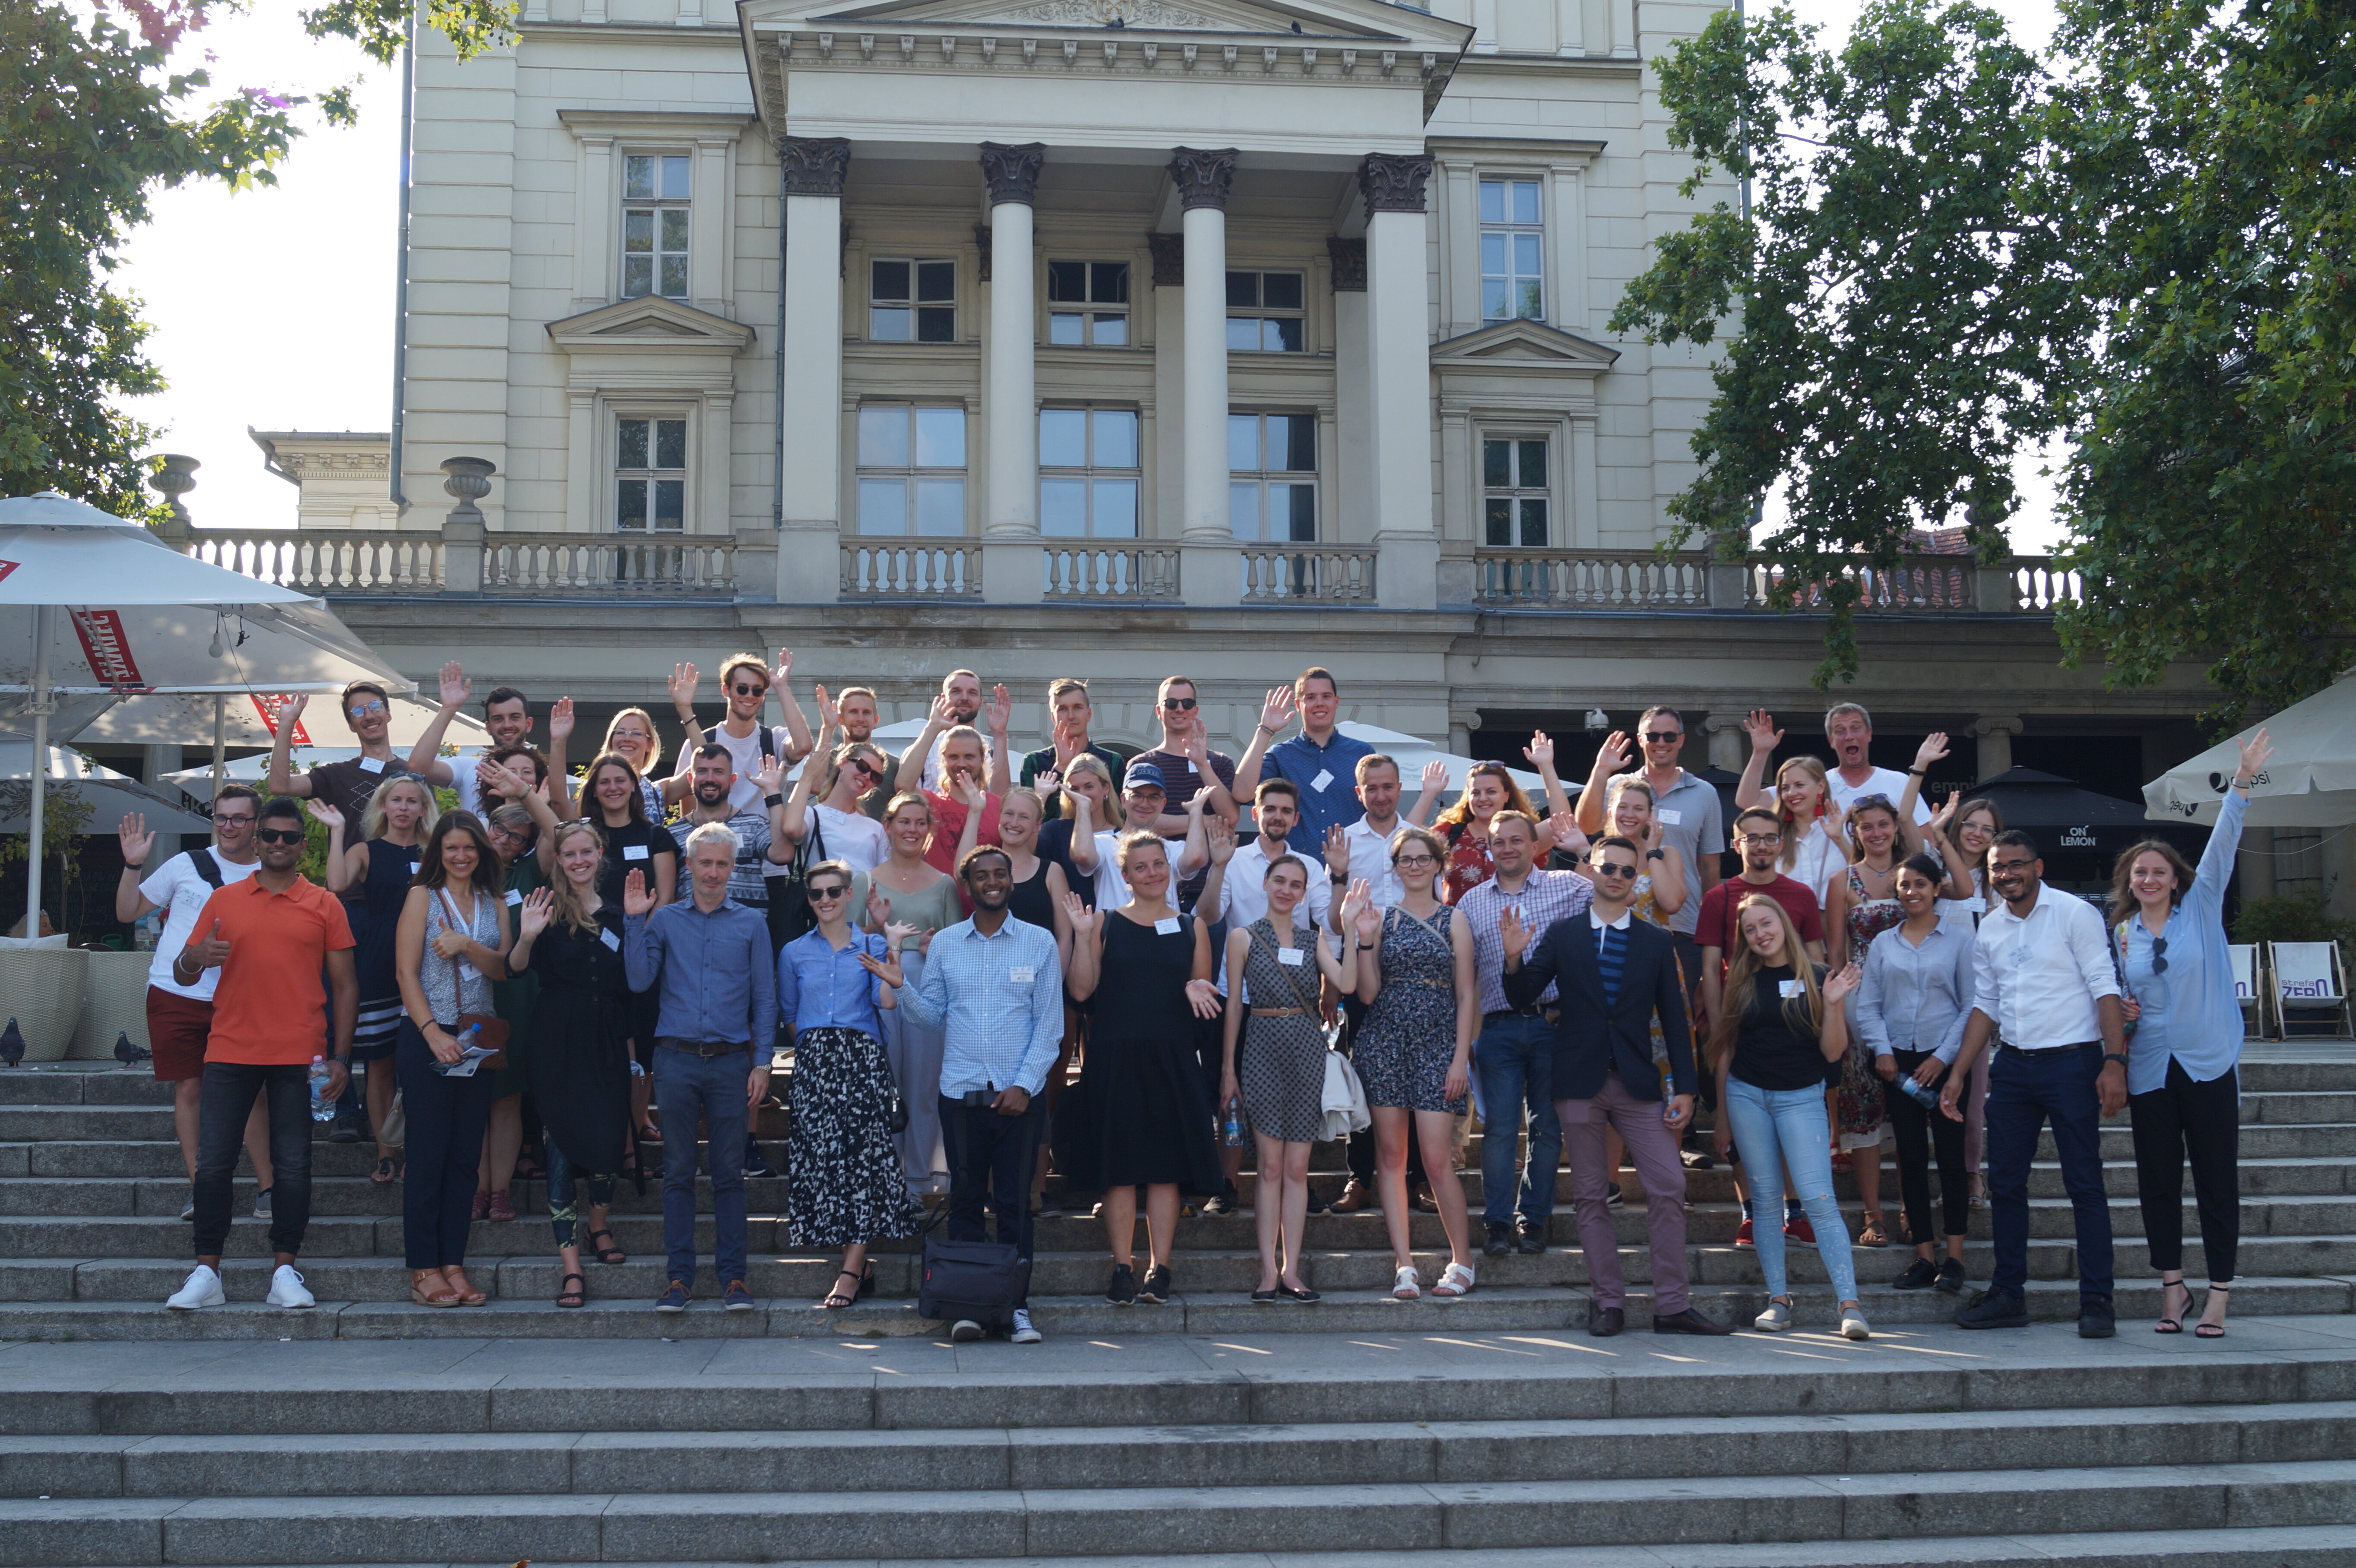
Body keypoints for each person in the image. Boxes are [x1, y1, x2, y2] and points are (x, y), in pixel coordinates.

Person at [1507, 835, 1732, 1336]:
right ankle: (1608, 1302)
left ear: (1636, 878)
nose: (1616, 875)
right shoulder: (1563, 933)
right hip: (1577, 1082)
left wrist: (1685, 1087)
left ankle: (1672, 1305)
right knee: (1590, 1195)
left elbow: (1675, 1019)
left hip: (1636, 1081)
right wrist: (1513, 958)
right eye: (1608, 866)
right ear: (1591, 869)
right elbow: (1522, 995)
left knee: (1669, 1184)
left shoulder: (1654, 940)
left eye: (1627, 870)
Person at [162, 795, 356, 1312]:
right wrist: (195, 957)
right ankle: (207, 1270)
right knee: (213, 1164)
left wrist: (341, 1056)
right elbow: (183, 971)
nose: (278, 843)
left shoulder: (324, 903)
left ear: (302, 845)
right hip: (231, 1046)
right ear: (256, 839)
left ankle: (284, 1269)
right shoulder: (224, 900)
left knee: (293, 1165)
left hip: (301, 1051)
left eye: (289, 836)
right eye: (270, 834)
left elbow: (345, 986)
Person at [864, 845, 1063, 1345]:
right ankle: (969, 1306)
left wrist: (1024, 1085)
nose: (992, 881)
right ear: (967, 886)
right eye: (982, 876)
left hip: (1020, 1095)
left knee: (1015, 1206)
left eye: (1000, 873)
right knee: (966, 1201)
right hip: (961, 1095)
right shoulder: (948, 944)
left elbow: (1050, 1026)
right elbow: (931, 1016)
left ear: (1010, 881)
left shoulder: (1038, 941)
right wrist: (901, 986)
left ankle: (1016, 1308)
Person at [1941, 830, 2128, 1338]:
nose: (2006, 874)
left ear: (2037, 867)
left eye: (2016, 864)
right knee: (2005, 1185)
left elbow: (2104, 986)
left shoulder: (2073, 913)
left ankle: (2097, 1301)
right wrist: (1958, 1072)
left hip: (2072, 1062)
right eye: (1997, 867)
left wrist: (2114, 1061)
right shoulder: (1989, 928)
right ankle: (2008, 1294)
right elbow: (1985, 1004)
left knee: (2083, 1183)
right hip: (2013, 1065)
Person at [2114, 729, 2268, 1338]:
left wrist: (2242, 781)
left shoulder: (2201, 908)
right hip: (2151, 1068)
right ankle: (2172, 1287)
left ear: (2175, 879)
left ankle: (2219, 1294)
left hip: (2206, 1063)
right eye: (2140, 873)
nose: (2149, 879)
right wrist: (2123, 1013)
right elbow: (2118, 1001)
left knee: (2215, 1182)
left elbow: (2224, 840)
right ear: (2129, 881)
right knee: (2157, 1182)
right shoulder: (2122, 935)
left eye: (2158, 872)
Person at [1060, 833, 1226, 1306]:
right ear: (1126, 875)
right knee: (1118, 1170)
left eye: (1158, 864)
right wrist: (1082, 936)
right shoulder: (1105, 922)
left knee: (1165, 1170)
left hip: (1172, 1058)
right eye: (1141, 867)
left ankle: (1160, 1269)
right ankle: (1122, 1267)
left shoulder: (1191, 926)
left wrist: (1194, 989)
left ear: (1168, 870)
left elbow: (1202, 992)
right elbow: (1081, 990)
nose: (1151, 873)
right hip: (1115, 1058)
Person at [624, 822, 777, 1314]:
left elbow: (765, 998)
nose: (713, 872)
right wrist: (634, 921)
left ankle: (734, 1278)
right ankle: (679, 1279)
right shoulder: (666, 920)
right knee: (677, 1173)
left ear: (733, 868)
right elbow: (638, 980)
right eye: (705, 862)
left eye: (722, 864)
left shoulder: (751, 923)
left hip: (732, 1062)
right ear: (688, 865)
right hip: (675, 1060)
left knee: (729, 1173)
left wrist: (762, 1063)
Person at [1707, 893, 1872, 1339]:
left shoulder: (1818, 977)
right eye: (1750, 929)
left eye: (1766, 923)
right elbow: (1726, 1050)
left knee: (1818, 1199)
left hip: (1801, 1096)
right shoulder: (1741, 980)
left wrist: (1833, 1004)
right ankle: (1778, 1300)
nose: (1760, 934)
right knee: (1764, 1201)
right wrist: (1722, 1117)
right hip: (1746, 1096)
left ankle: (1850, 1305)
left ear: (1783, 922)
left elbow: (1833, 1053)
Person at [116, 790, 273, 1225]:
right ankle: (202, 1187)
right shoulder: (185, 864)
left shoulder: (269, 871)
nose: (228, 826)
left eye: (239, 819)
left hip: (241, 996)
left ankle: (269, 1188)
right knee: (189, 1088)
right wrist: (133, 864)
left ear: (256, 824)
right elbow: (128, 912)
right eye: (221, 818)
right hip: (175, 993)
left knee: (253, 1091)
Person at [1219, 859, 1368, 1302]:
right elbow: (1233, 1006)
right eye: (1280, 881)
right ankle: (1268, 1270)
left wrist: (1350, 928)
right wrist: (1227, 1068)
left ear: (1304, 893)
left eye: (1296, 885)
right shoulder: (1242, 936)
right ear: (1265, 884)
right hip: (1261, 1046)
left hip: (1306, 1048)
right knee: (1269, 1167)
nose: (1286, 890)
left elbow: (1346, 982)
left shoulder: (1311, 938)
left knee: (1297, 1169)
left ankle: (1292, 1270)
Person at [779, 858, 921, 1310]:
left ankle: (851, 1269)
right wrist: (817, 1047)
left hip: (861, 1059)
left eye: (834, 891)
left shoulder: (872, 943)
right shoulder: (793, 952)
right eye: (817, 893)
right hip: (815, 1061)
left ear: (848, 895)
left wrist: (893, 950)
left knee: (862, 1159)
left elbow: (888, 1002)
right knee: (825, 1161)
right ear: (809, 899)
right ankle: (859, 1264)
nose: (826, 900)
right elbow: (790, 1013)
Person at [508, 820, 634, 1306]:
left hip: (606, 1039)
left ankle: (598, 1225)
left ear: (599, 853)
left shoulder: (620, 913)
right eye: (569, 854)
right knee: (559, 1150)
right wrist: (526, 936)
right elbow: (515, 967)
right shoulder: (543, 907)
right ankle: (571, 1266)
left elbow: (633, 983)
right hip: (555, 1039)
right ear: (558, 860)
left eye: (586, 852)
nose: (578, 861)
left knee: (608, 1142)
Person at [1457, 811, 1593, 1255]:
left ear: (1534, 845)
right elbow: (1464, 977)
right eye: (1499, 842)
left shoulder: (1567, 885)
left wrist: (1584, 850)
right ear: (1489, 848)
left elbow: (1617, 894)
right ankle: (1496, 1223)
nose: (1508, 848)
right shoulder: (1471, 902)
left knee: (1546, 1127)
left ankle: (1532, 1220)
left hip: (1552, 1025)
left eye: (1517, 840)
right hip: (1497, 1028)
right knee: (1499, 1128)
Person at [1352, 825, 1479, 1297]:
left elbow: (1466, 995)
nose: (1414, 866)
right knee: (1390, 1157)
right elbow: (1367, 993)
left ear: (1438, 864)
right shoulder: (1382, 919)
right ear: (1396, 867)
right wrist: (1365, 940)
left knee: (1436, 1159)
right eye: (1405, 859)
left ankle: (1462, 1261)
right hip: (1384, 1041)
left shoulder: (1454, 919)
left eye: (1423, 858)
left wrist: (1460, 1058)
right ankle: (1403, 1263)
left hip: (1437, 1044)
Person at [392, 811, 512, 1309]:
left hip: (476, 1038)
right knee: (428, 1156)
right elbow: (405, 971)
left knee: (465, 1159)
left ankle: (453, 1262)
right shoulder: (422, 895)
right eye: (451, 848)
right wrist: (431, 1033)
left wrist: (466, 944)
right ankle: (424, 1267)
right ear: (438, 853)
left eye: (469, 847)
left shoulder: (494, 901)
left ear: (481, 851)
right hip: (429, 1035)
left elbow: (503, 968)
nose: (461, 856)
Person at [1695, 806, 1828, 1244]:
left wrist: (1819, 1016)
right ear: (1737, 845)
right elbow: (1710, 966)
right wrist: (1719, 1026)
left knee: (1789, 1114)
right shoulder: (1719, 896)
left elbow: (1816, 961)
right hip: (1737, 1018)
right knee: (1737, 1118)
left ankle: (1794, 1209)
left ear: (1780, 843)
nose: (1761, 845)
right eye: (1751, 838)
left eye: (1769, 837)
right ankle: (1751, 1211)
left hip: (1792, 1021)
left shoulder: (1801, 894)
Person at [1855, 853, 1976, 1295]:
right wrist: (1882, 1050)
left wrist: (1943, 1058)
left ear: (1937, 888)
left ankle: (1955, 1258)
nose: (1912, 892)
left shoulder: (1959, 940)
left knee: (1951, 1159)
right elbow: (1868, 1005)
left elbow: (1972, 1005)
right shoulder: (1883, 944)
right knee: (1910, 1158)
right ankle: (1924, 1256)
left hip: (1946, 1064)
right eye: (1905, 885)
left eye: (1921, 884)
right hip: (1898, 1066)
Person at [311, 775, 436, 1182]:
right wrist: (337, 832)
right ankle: (386, 1153)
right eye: (396, 800)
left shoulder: (436, 850)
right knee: (380, 1065)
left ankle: (419, 1149)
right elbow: (335, 885)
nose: (403, 807)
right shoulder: (365, 849)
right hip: (380, 960)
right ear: (383, 806)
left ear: (423, 809)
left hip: (429, 961)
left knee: (422, 1064)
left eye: (412, 801)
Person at [854, 792, 971, 1195]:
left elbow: (957, 949)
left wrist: (932, 948)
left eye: (921, 823)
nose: (913, 830)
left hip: (928, 992)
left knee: (924, 1086)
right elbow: (850, 944)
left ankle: (920, 1180)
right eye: (904, 821)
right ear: (888, 826)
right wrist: (877, 928)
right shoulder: (864, 881)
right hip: (877, 990)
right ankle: (883, 1181)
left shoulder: (945, 884)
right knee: (883, 1086)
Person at [1573, 711, 1725, 982]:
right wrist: (1601, 770)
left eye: (1669, 736)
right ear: (1641, 740)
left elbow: (1710, 867)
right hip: (1616, 924)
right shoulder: (1619, 786)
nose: (1661, 743)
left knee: (1680, 1003)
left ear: (1681, 740)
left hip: (1685, 925)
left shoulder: (1705, 793)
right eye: (1653, 736)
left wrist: (1710, 927)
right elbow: (1586, 826)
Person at [583, 750, 680, 1148]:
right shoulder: (585, 837)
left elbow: (666, 899)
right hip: (593, 956)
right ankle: (599, 1135)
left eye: (620, 780)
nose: (613, 788)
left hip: (643, 957)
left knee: (641, 1050)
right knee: (597, 1048)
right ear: (594, 789)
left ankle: (632, 1137)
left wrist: (637, 946)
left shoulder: (655, 836)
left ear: (634, 787)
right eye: (604, 781)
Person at [1231, 667, 1376, 856]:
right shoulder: (1281, 755)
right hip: (1295, 870)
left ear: (1336, 702)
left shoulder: (1362, 754)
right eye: (1311, 698)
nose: (1319, 703)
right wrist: (1265, 730)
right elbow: (1242, 794)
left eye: (1326, 697)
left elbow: (1380, 810)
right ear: (1298, 705)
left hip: (1352, 865)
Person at [404, 663, 576, 818]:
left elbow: (566, 818)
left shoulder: (544, 775)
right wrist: (449, 709)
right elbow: (418, 767)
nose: (507, 725)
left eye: (515, 717)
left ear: (529, 724)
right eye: (498, 719)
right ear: (488, 727)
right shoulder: (471, 768)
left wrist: (559, 741)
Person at [668, 649, 815, 806]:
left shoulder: (774, 739)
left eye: (757, 691)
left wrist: (782, 687)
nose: (750, 695)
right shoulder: (696, 743)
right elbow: (689, 810)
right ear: (726, 690)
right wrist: (684, 709)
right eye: (742, 688)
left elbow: (803, 746)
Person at [265, 685, 428, 825]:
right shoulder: (335, 776)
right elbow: (280, 786)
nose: (369, 716)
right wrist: (286, 723)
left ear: (388, 714)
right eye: (358, 712)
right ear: (351, 725)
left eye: (375, 707)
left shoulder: (414, 775)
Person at [1735, 714, 1849, 906]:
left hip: (1835, 919)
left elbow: (1861, 873)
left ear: (1821, 787)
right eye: (1785, 788)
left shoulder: (1840, 826)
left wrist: (1839, 839)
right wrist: (1760, 753)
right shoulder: (1774, 835)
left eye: (1800, 785)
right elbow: (1745, 800)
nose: (1792, 793)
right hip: (1786, 921)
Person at [778, 690, 891, 877]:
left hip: (865, 896)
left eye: (875, 776)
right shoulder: (814, 815)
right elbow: (791, 828)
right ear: (843, 763)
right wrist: (807, 776)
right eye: (862, 766)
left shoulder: (875, 828)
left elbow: (885, 877)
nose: (866, 776)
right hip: (826, 895)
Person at [895, 707, 1004, 880]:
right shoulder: (931, 803)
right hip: (937, 896)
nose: (961, 764)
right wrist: (933, 727)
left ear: (982, 759)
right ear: (943, 760)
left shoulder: (999, 806)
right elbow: (903, 786)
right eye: (954, 757)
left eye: (969, 757)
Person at [1434, 759, 1541, 906]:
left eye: (1491, 792)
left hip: (1514, 919)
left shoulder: (1525, 834)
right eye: (1476, 793)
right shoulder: (1449, 833)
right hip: (1458, 920)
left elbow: (1561, 822)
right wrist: (1428, 795)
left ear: (1506, 796)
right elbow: (1407, 845)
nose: (1483, 799)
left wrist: (1546, 767)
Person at [1013, 677, 1124, 816]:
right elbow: (1031, 819)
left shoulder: (1113, 762)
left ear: (1089, 714)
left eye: (1077, 708)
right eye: (1063, 709)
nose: (1071, 716)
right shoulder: (1034, 761)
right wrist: (1060, 769)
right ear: (1053, 717)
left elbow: (1119, 816)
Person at [1820, 702, 1934, 822]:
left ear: (1869, 734)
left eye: (1856, 728)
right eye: (1840, 731)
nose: (1849, 736)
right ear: (1831, 741)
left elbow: (1925, 832)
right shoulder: (1820, 787)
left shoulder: (1899, 783)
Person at [592, 703, 687, 817]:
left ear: (650, 745)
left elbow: (702, 766)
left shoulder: (658, 792)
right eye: (620, 732)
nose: (627, 739)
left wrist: (686, 710)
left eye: (636, 733)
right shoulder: (596, 789)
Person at [909, 668, 987, 794]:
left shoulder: (990, 752)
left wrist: (1000, 734)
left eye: (972, 693)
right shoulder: (923, 750)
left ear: (980, 703)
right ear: (944, 699)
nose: (965, 698)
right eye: (956, 692)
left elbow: (1000, 799)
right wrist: (932, 726)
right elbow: (905, 789)